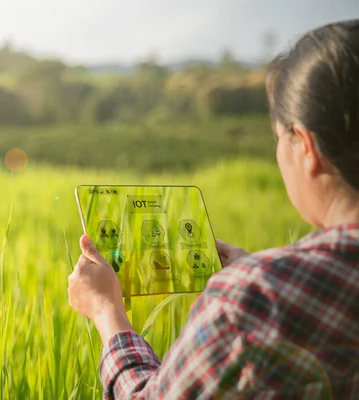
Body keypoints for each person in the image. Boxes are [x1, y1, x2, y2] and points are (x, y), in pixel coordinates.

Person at [68, 19, 359, 399]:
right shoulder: (269, 290)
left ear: (306, 147)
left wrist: (108, 313)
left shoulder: (250, 301)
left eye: (279, 138)